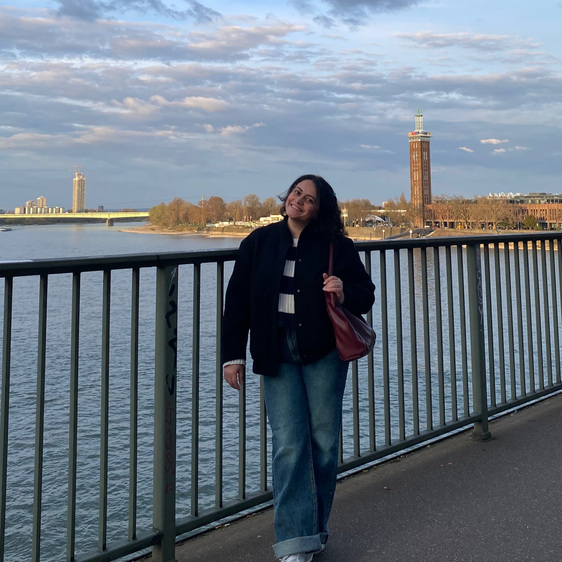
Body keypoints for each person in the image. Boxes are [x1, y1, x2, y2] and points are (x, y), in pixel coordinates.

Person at [222, 174, 376, 562]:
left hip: (323, 353)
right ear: (287, 197)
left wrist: (343, 290)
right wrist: (232, 356)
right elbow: (237, 301)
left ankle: (314, 530)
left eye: (309, 199)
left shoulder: (337, 246)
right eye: (296, 193)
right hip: (275, 352)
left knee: (323, 445)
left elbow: (365, 295)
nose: (299, 201)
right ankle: (295, 542)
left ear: (319, 209)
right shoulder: (259, 241)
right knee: (289, 446)